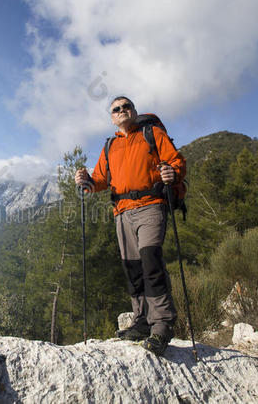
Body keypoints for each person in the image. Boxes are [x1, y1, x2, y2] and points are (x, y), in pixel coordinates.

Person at [74, 96, 186, 356]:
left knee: (151, 262)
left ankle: (162, 325)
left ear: (134, 111)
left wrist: (172, 172)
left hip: (150, 206)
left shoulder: (152, 133)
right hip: (122, 212)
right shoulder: (110, 145)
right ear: (112, 117)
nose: (122, 110)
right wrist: (85, 180)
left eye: (127, 106)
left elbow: (176, 161)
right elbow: (100, 180)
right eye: (117, 109)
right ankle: (142, 321)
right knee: (133, 268)